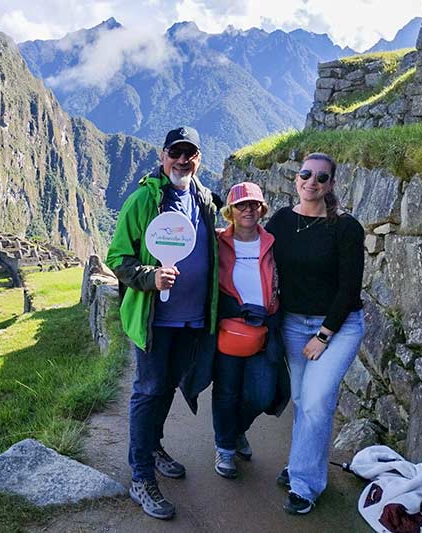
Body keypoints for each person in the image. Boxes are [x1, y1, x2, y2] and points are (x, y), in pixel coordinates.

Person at [105, 126, 220, 520]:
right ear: (163, 155)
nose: (182, 161)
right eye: (176, 153)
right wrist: (150, 278)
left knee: (168, 386)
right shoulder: (143, 201)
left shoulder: (205, 200)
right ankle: (140, 476)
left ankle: (153, 446)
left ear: (198, 159)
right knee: (149, 390)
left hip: (191, 320)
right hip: (156, 320)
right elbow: (118, 258)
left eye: (190, 154)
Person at [265, 152, 365, 515]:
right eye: (306, 174)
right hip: (294, 323)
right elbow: (253, 252)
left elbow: (349, 290)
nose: (312, 182)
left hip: (338, 327)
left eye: (322, 178)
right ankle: (299, 465)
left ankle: (304, 485)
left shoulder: (346, 229)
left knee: (316, 401)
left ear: (331, 185)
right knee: (302, 399)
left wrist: (323, 335)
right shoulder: (280, 222)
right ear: (296, 178)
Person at [211, 182, 290, 479]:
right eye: (241, 205)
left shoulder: (271, 241)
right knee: (227, 391)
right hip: (230, 329)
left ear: (262, 209)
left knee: (261, 393)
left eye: (254, 204)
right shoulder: (218, 242)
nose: (248, 210)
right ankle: (225, 448)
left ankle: (236, 431)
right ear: (230, 211)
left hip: (264, 330)